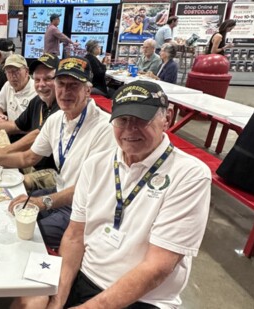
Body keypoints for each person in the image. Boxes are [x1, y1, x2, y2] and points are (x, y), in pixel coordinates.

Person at [38, 80, 211, 309]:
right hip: (86, 276)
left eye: (142, 119)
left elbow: (156, 268)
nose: (130, 129)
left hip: (143, 299)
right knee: (29, 300)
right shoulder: (96, 164)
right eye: (122, 120)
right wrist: (58, 299)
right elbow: (74, 236)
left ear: (167, 119)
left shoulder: (190, 175)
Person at [0, 57, 115, 249]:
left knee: (21, 233)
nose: (65, 92)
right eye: (61, 84)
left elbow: (87, 189)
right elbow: (28, 157)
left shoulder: (105, 128)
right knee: (8, 208)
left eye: (73, 86)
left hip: (85, 209)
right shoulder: (56, 119)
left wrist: (41, 202)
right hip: (60, 191)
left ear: (87, 90)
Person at [0, 53, 61, 192]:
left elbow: (37, 135)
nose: (41, 84)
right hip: (33, 160)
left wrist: (3, 151)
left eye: (48, 78)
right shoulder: (39, 101)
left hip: (54, 171)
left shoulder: (61, 105)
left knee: (9, 186)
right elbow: (16, 125)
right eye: (38, 79)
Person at [0, 54, 37, 128]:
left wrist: (7, 126)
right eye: (8, 72)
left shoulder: (36, 91)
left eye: (16, 71)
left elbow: (37, 129)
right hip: (10, 132)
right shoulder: (8, 85)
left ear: (27, 71)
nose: (12, 76)